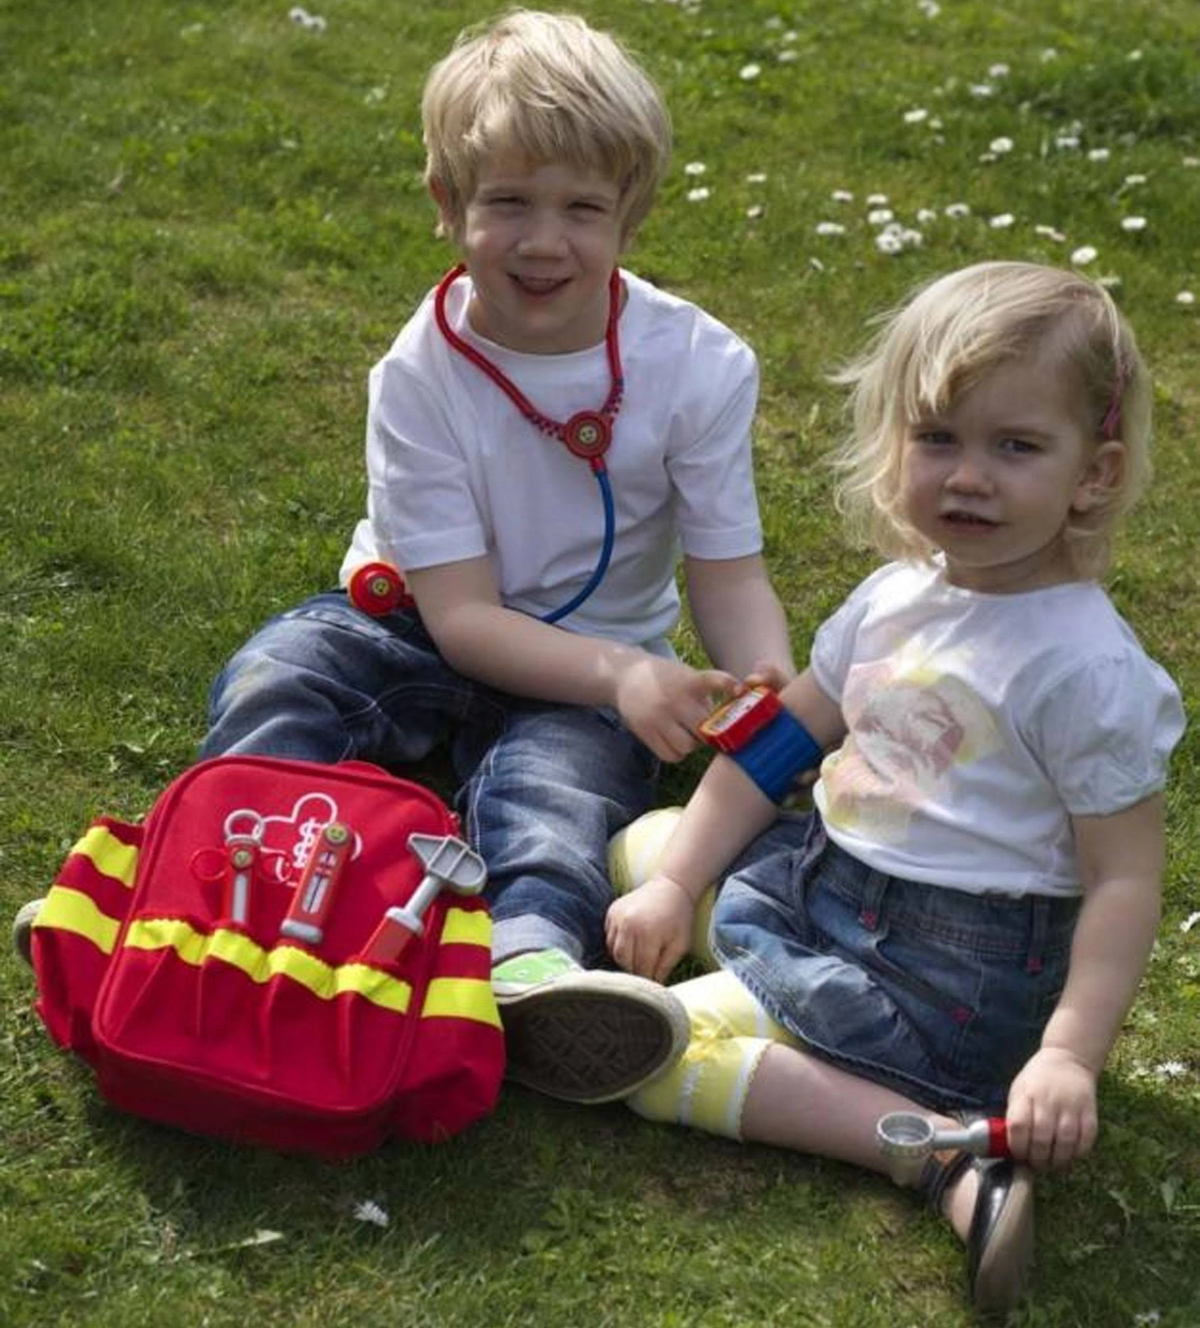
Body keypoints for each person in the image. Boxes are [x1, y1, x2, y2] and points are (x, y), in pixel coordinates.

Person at [178, 10, 793, 1105]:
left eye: (581, 208)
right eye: (507, 201)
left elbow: (728, 573)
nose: (542, 241)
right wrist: (622, 675)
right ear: (448, 206)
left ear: (631, 214)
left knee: (558, 790)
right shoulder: (419, 374)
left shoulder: (700, 366)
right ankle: (230, 893)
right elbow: (461, 620)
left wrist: (770, 701)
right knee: (281, 674)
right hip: (412, 619)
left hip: (600, 653)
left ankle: (530, 969)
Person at [604, 261, 1185, 1312]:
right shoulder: (894, 597)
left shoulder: (1085, 669)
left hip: (948, 976)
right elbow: (778, 748)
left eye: (1016, 446)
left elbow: (1122, 885)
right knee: (651, 847)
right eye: (938, 438)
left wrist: (1065, 1056)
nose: (968, 476)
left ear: (1092, 474)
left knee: (659, 1051)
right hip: (831, 881)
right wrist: (668, 882)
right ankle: (683, 949)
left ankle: (934, 1154)